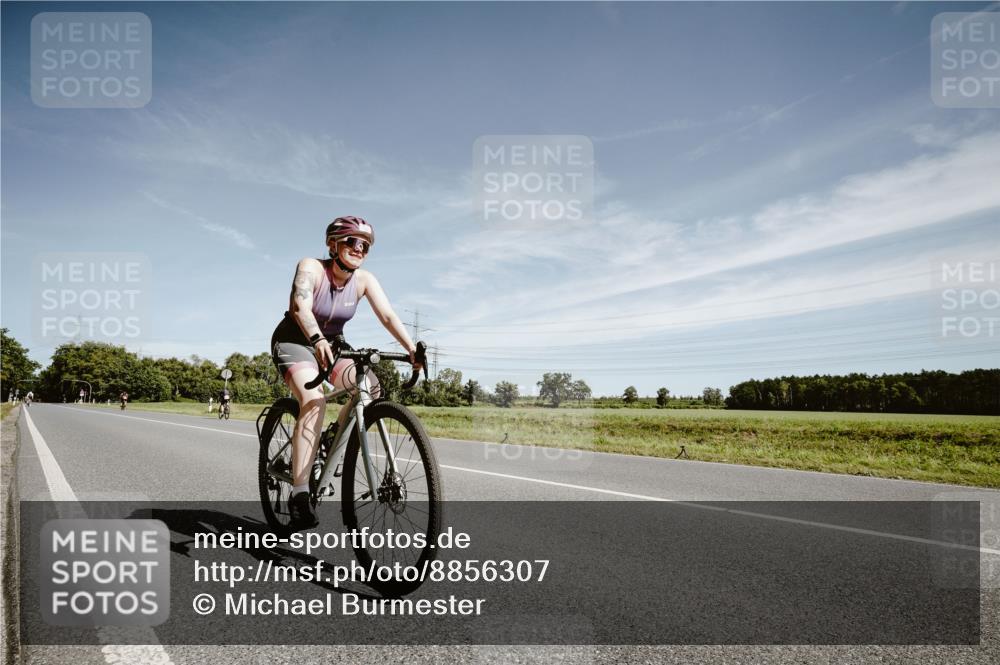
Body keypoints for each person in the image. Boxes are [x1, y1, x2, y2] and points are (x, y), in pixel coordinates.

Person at [270, 216, 421, 529]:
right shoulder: (312, 267)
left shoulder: (364, 280)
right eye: (352, 241)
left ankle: (330, 439)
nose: (359, 248)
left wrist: (412, 350)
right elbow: (301, 306)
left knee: (369, 387)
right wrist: (316, 338)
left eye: (365, 245)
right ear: (333, 244)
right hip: (295, 340)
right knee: (314, 400)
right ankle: (299, 494)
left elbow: (389, 316)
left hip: (333, 345)